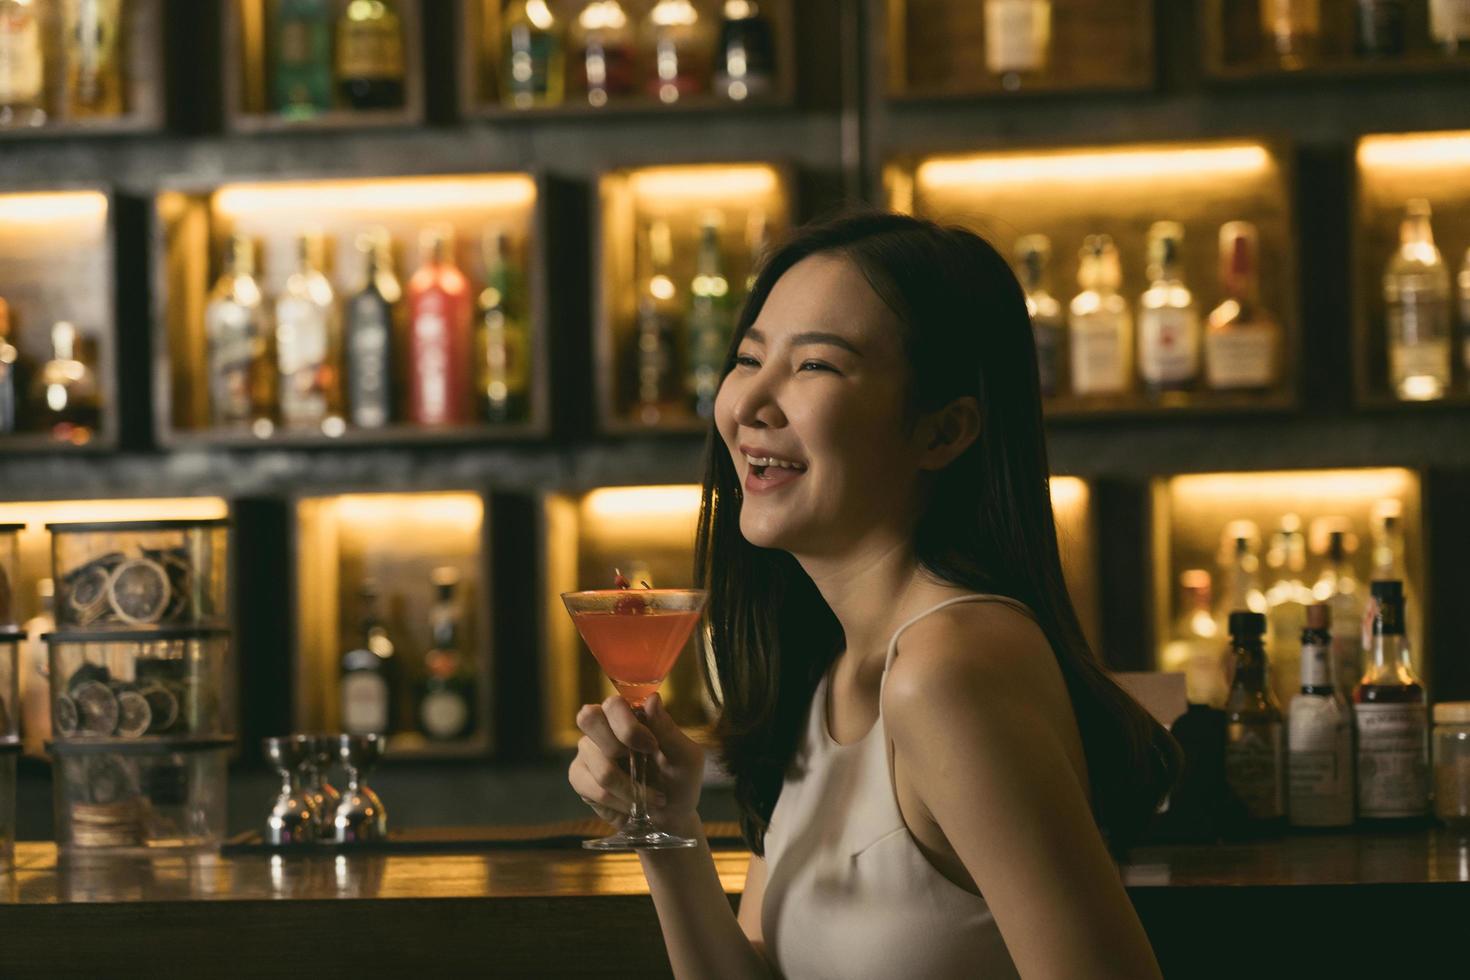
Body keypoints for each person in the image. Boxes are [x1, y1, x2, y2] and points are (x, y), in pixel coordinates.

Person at [568, 212, 1180, 978]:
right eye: (748, 357)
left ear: (944, 431)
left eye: (815, 366)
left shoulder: (947, 672)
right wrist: (669, 829)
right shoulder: (833, 669)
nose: (749, 403)